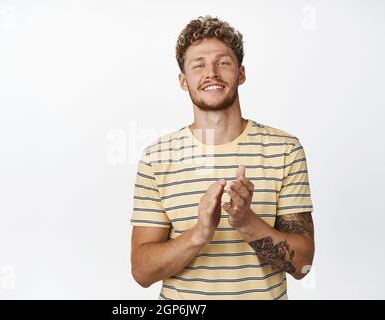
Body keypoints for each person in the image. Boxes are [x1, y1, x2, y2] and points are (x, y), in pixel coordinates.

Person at [130, 15, 314, 300]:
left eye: (223, 62)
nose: (211, 73)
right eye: (198, 64)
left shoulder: (285, 149)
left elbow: (302, 265)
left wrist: (246, 222)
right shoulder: (157, 157)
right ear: (183, 80)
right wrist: (199, 235)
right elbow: (142, 273)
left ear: (241, 73)